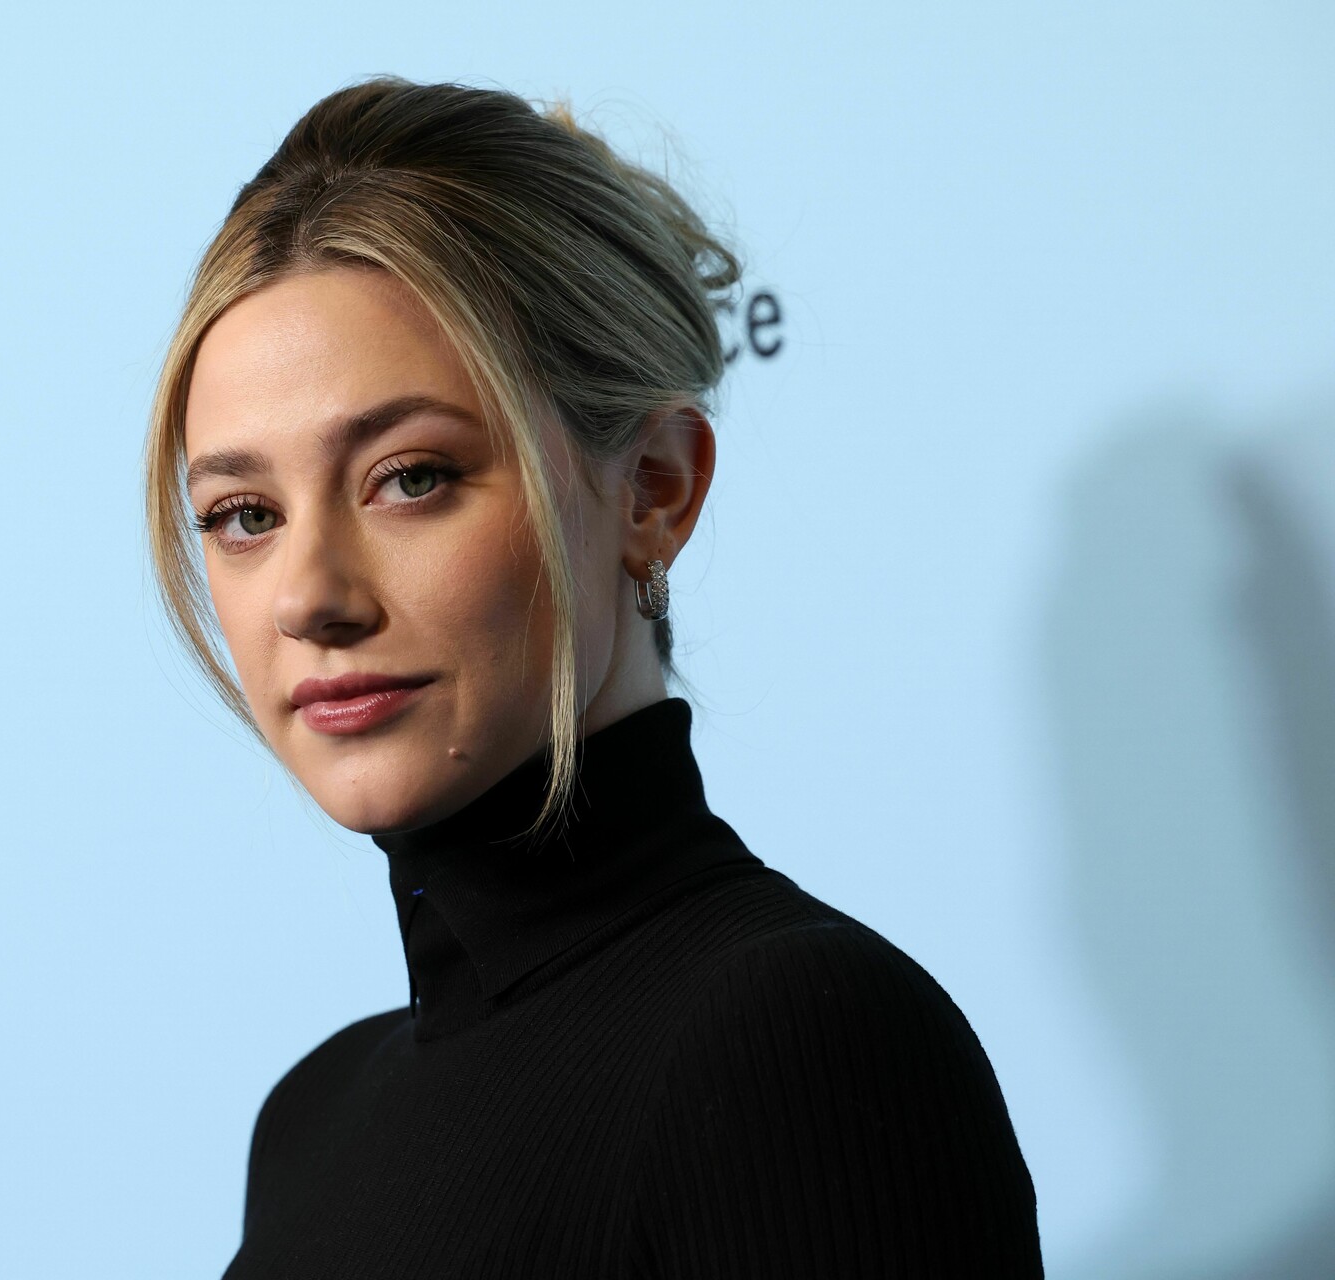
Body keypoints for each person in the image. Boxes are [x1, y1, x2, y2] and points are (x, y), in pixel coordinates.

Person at [144, 75, 1043, 1278]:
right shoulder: (308, 1121)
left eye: (411, 477)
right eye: (244, 513)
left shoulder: (795, 1039)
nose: (310, 597)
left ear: (654, 488)